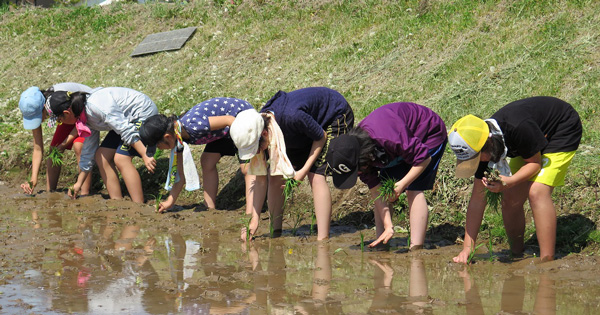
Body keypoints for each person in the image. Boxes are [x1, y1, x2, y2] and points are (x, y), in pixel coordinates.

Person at [448, 96, 582, 263]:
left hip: (560, 128)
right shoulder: (483, 147)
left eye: (476, 158)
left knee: (537, 191)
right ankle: (516, 253)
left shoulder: (517, 126)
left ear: (488, 143)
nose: (478, 163)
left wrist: (508, 182)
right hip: (530, 141)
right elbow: (477, 200)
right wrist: (467, 249)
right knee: (510, 198)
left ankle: (547, 261)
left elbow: (534, 164)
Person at [235, 87, 354, 241]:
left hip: (333, 116)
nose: (257, 153)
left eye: (257, 149)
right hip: (301, 131)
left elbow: (320, 136)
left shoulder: (292, 116)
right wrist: (254, 218)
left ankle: (322, 239)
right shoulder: (259, 129)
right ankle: (275, 232)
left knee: (315, 175)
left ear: (265, 134)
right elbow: (260, 179)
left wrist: (303, 171)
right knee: (275, 176)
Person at [326, 102, 447, 249]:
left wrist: (402, 184)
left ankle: (416, 248)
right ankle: (381, 241)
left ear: (363, 158)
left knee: (413, 189)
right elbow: (376, 191)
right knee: (384, 187)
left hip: (428, 134)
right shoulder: (358, 156)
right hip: (399, 147)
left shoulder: (388, 137)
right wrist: (388, 225)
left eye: (355, 172)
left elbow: (423, 158)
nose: (357, 175)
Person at [138, 97, 258, 213]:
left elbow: (229, 120)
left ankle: (250, 213)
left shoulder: (193, 124)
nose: (159, 149)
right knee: (207, 161)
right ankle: (209, 207)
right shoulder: (178, 138)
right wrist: (170, 201)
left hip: (240, 118)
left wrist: (243, 146)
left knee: (247, 168)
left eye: (158, 146)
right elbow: (180, 175)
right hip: (222, 131)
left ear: (167, 137)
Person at [48, 87, 158, 202]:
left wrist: (144, 155)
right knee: (101, 156)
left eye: (59, 120)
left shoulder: (96, 106)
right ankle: (117, 202)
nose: (60, 124)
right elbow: (88, 152)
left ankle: (138, 205)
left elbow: (126, 130)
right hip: (125, 120)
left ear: (67, 113)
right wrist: (78, 183)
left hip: (142, 113)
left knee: (121, 158)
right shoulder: (84, 118)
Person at [18, 83, 95, 195]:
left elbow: (81, 120)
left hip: (84, 114)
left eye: (38, 117)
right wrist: (33, 179)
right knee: (54, 149)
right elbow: (38, 148)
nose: (39, 121)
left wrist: (64, 143)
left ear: (44, 107)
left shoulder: (58, 100)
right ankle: (51, 193)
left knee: (79, 146)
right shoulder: (38, 107)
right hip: (66, 117)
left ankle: (84, 193)